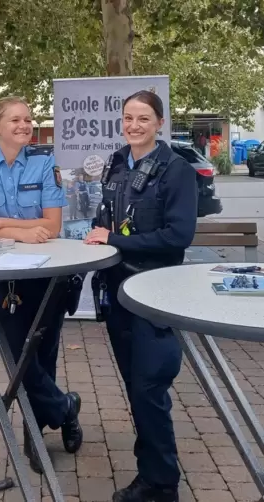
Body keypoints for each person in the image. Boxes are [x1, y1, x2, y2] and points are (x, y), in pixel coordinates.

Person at [0, 96, 83, 473]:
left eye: (28, 120)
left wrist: (0, 226)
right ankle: (65, 408)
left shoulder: (45, 162)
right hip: (5, 277)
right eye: (15, 120)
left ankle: (34, 437)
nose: (25, 125)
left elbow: (53, 225)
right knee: (16, 355)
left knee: (42, 355)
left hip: (49, 277)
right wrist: (20, 231)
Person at [85, 90, 197, 502]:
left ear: (159, 123)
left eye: (143, 118)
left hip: (156, 294)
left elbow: (178, 236)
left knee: (149, 387)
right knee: (136, 387)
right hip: (118, 293)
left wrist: (112, 238)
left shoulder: (175, 170)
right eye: (128, 118)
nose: (134, 125)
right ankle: (150, 471)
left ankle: (162, 483)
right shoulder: (116, 163)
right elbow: (106, 218)